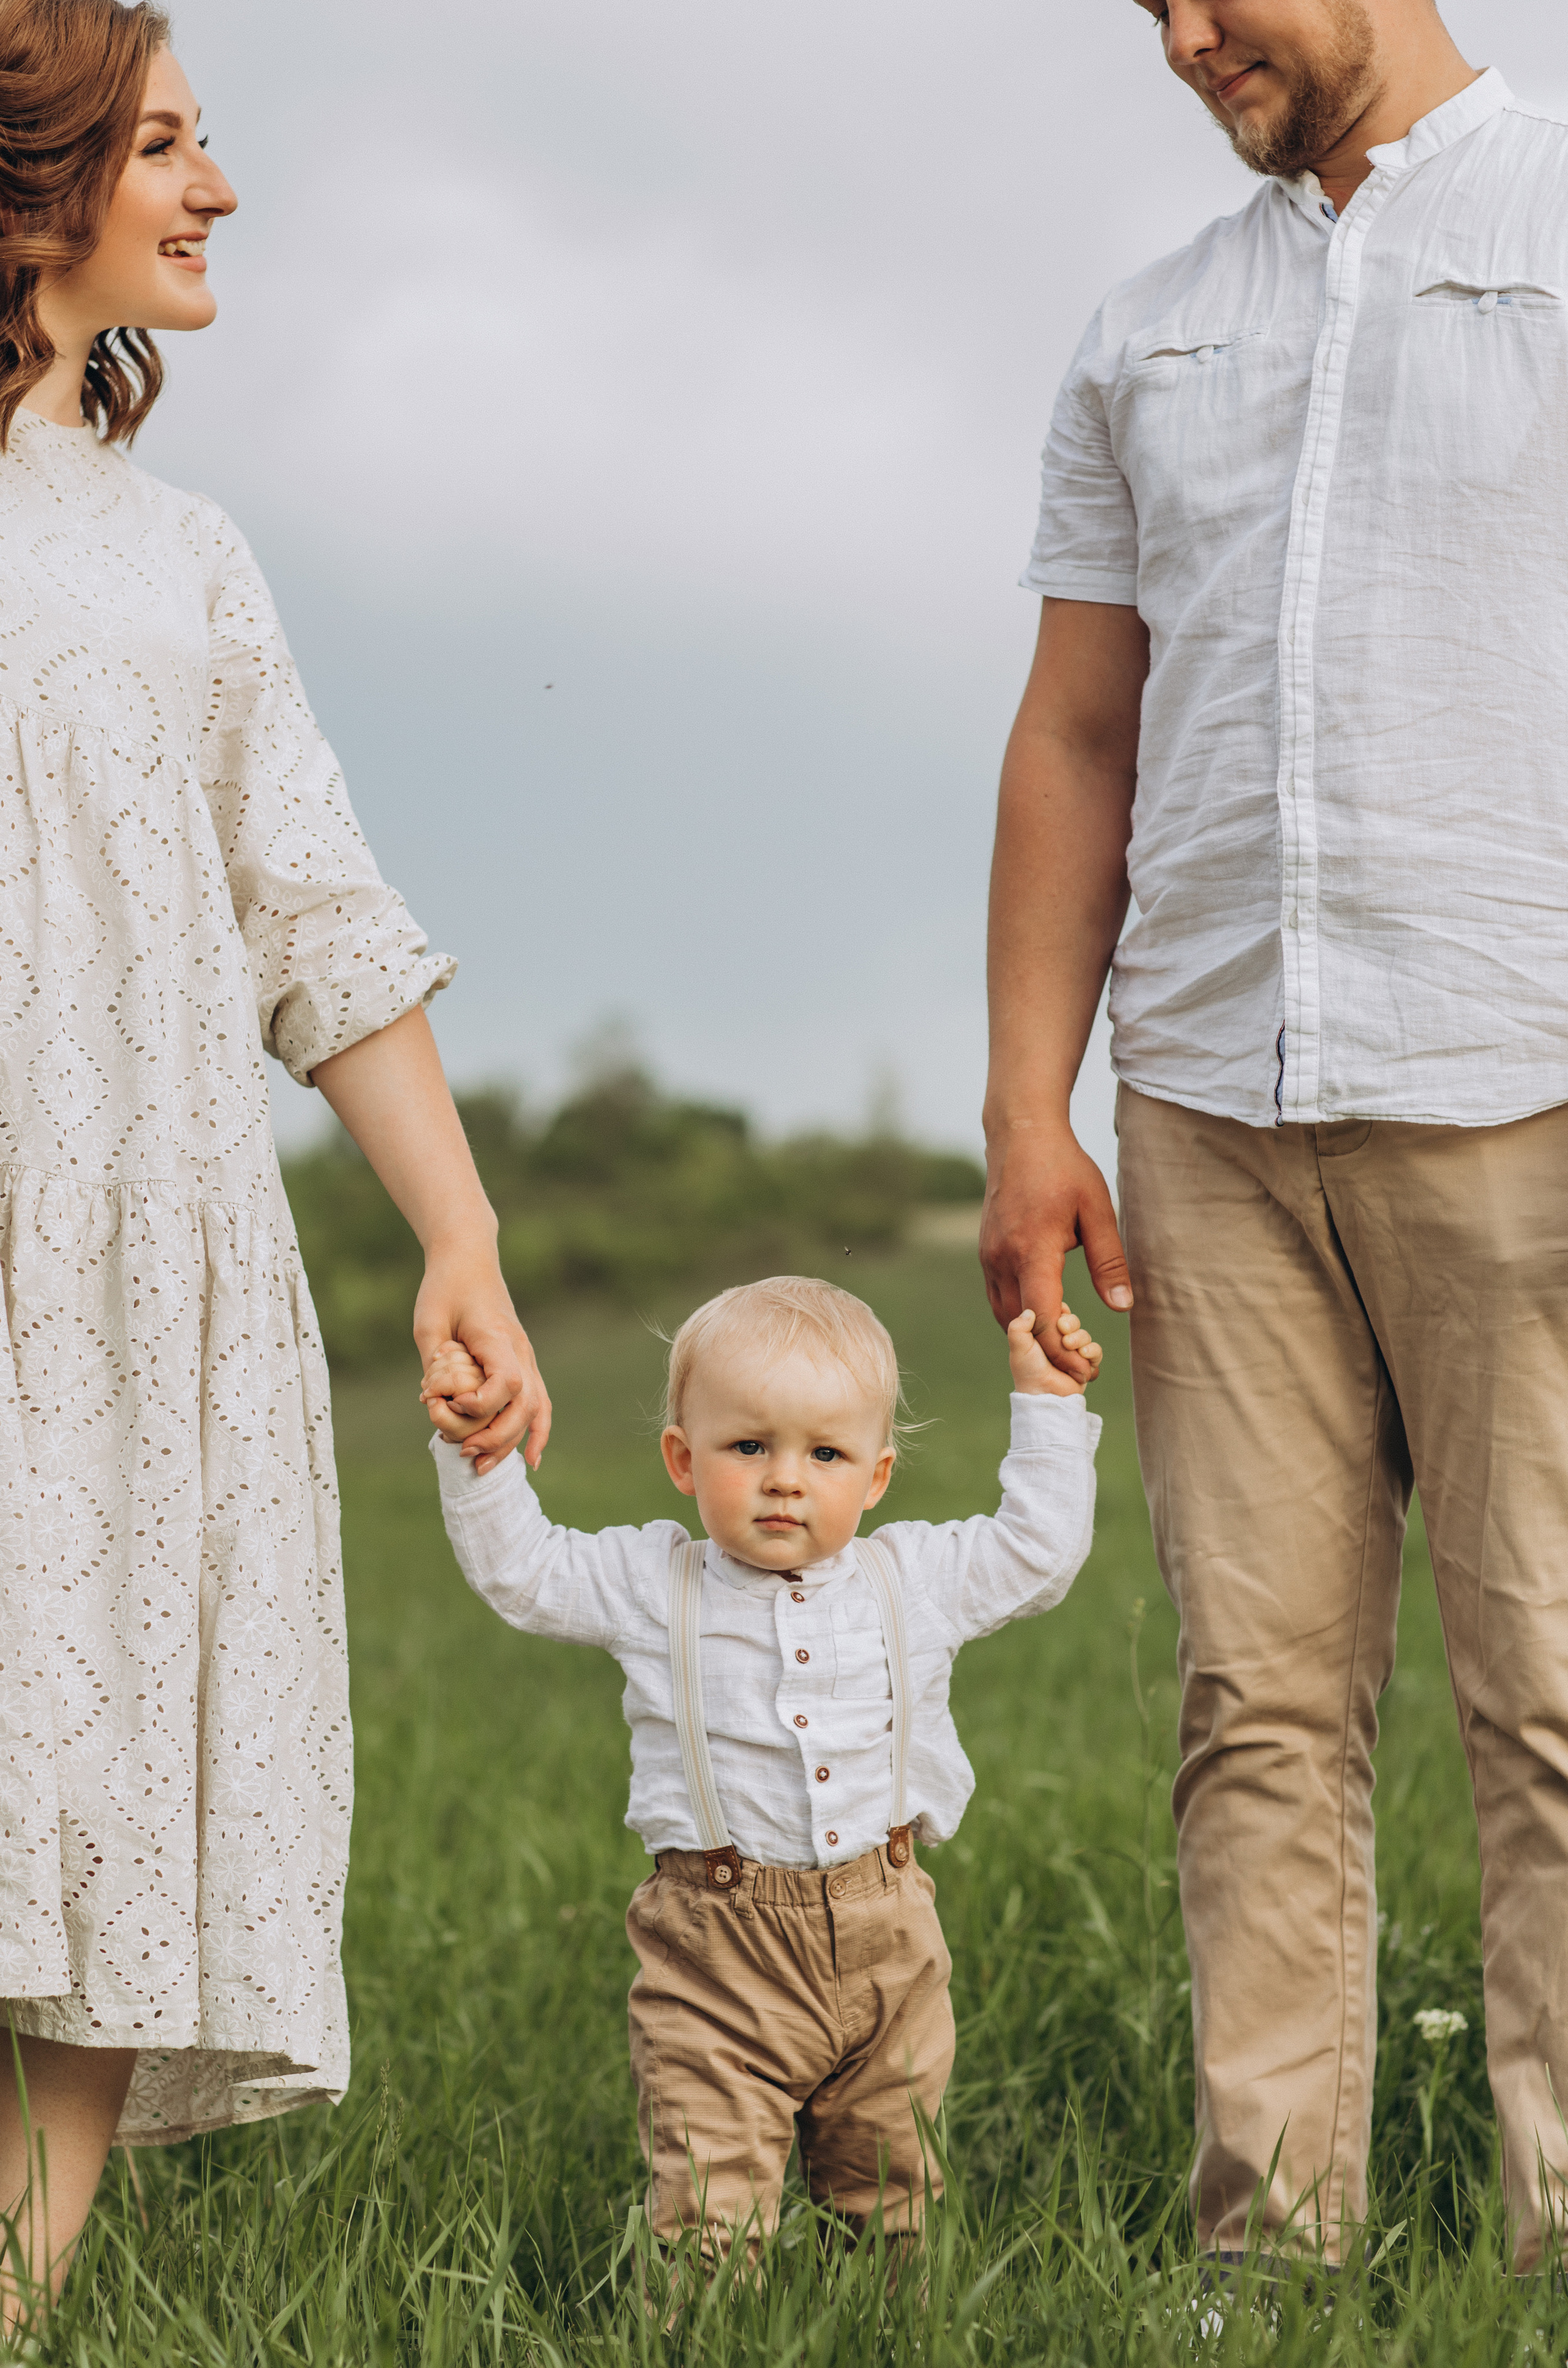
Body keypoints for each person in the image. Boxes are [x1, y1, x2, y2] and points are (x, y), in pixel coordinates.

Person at [981, 0, 1568, 2277]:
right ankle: (1273, 2259)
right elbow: (1076, 733)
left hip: (1520, 1062)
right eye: (1143, 8)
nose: (1181, 38)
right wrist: (1031, 1102)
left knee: (1551, 1703)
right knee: (1260, 1711)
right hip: (1209, 1100)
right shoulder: (1147, 334)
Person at [0, 0, 551, 2319]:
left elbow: (313, 911)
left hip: (143, 1257)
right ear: (31, 182)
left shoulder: (181, 557)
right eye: (164, 144)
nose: (214, 191)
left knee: (112, 1742)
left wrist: (462, 1229)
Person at [421, 1276, 1101, 2260]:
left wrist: (1047, 1399)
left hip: (892, 1941)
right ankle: (710, 2329)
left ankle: (887, 2328)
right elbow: (523, 1570)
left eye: (824, 1453)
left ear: (874, 1476)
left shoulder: (912, 1577)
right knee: (709, 2195)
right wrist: (476, 1445)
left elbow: (1038, 1549)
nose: (787, 1477)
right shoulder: (657, 1581)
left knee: (892, 2186)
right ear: (683, 1460)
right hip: (715, 1951)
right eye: (750, 1447)